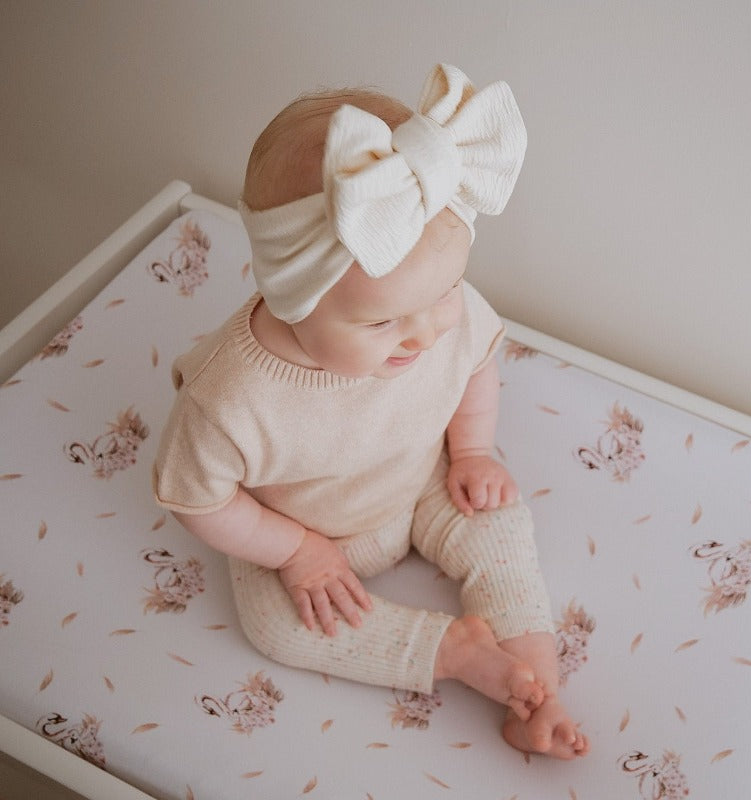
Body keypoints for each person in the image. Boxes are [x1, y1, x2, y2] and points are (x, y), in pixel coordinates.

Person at [153, 64, 588, 758]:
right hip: (299, 526)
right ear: (294, 296)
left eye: (445, 290)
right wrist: (296, 552)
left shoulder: (442, 315)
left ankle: (539, 693)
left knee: (500, 525)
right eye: (383, 324)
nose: (425, 332)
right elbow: (195, 501)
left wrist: (472, 451)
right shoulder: (231, 398)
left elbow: (476, 360)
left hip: (418, 481)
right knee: (277, 626)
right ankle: (454, 652)